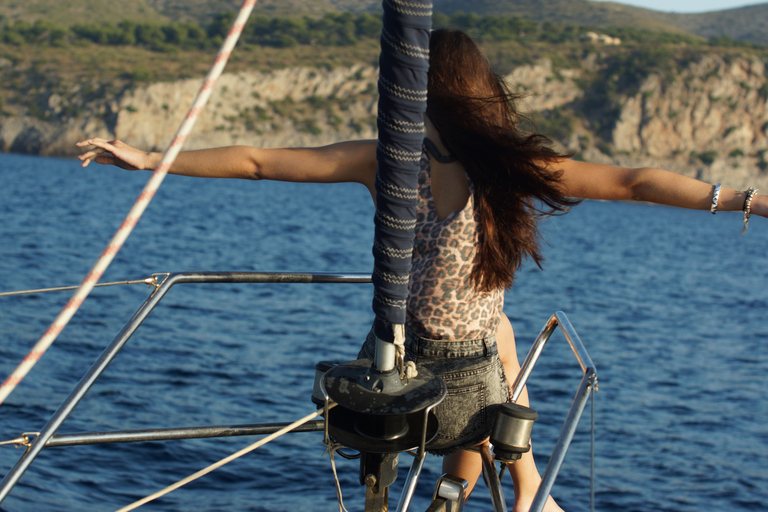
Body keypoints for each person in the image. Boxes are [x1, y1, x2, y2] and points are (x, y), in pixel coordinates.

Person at [77, 27, 765, 512]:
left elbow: (258, 161)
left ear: (410, 88)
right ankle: (511, 488)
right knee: (494, 333)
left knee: (482, 338)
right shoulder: (505, 169)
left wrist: (149, 158)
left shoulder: (381, 160)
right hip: (472, 404)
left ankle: (476, 490)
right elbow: (639, 181)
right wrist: (744, 200)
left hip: (397, 394)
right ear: (479, 92)